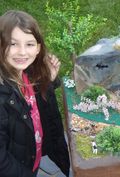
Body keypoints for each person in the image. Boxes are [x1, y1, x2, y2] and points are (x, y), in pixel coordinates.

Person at [0, 10, 70, 177]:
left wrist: (49, 80)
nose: (22, 52)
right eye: (13, 44)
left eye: (29, 44)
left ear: (38, 48)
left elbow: (38, 107)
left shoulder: (28, 73)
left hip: (31, 158)